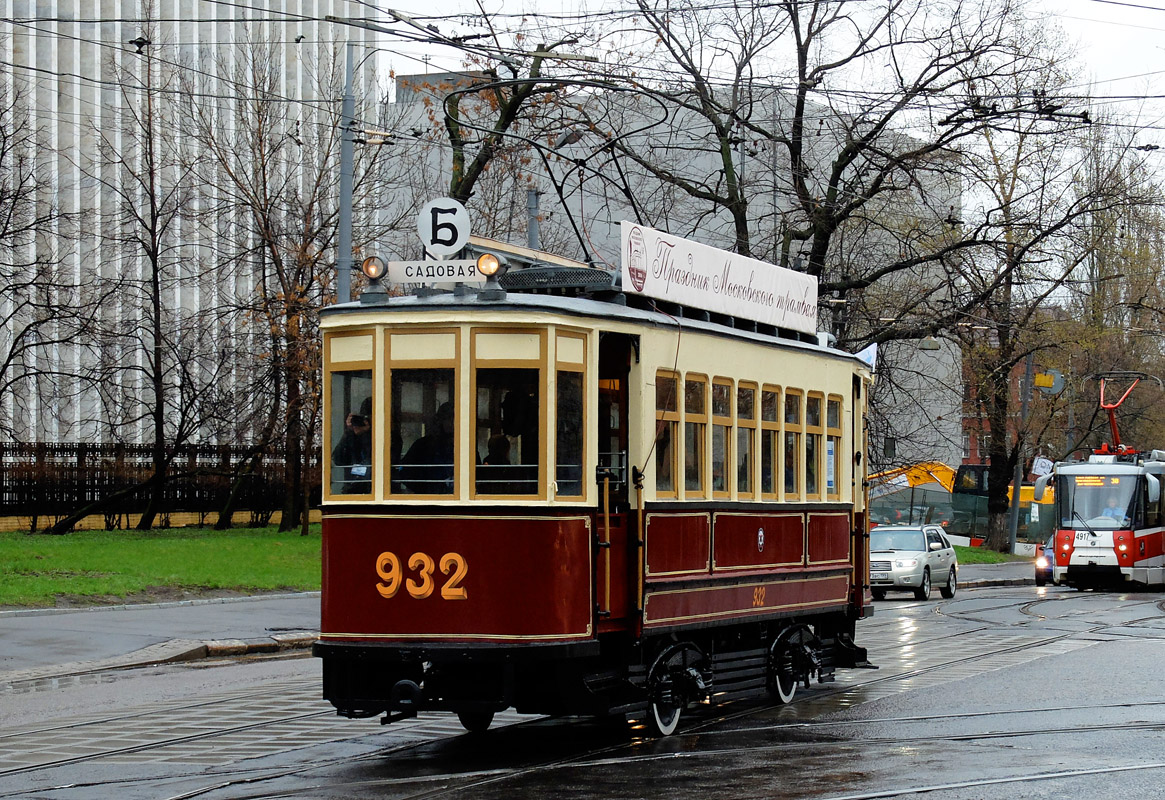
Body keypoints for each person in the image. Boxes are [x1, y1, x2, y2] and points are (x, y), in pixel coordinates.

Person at [400, 402, 455, 493]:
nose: (452, 423)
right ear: (440, 421)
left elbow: (477, 475)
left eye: (456, 419)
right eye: (448, 419)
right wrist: (424, 492)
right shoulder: (423, 445)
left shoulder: (467, 447)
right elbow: (405, 472)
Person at [332, 396, 372, 494]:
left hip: (375, 489)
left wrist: (369, 433)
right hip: (353, 490)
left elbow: (377, 460)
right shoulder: (353, 436)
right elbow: (338, 459)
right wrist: (350, 432)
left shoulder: (391, 437)